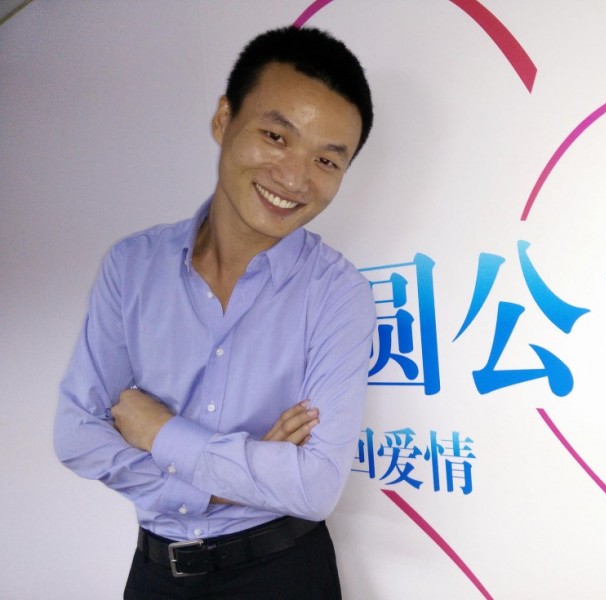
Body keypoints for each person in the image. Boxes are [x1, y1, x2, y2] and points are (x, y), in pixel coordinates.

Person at [54, 25, 375, 599]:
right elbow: (77, 435)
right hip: (156, 575)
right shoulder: (132, 266)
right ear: (224, 119)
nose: (294, 178)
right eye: (276, 136)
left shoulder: (337, 292)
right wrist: (243, 476)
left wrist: (159, 432)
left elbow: (315, 486)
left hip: (283, 573)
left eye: (327, 161)